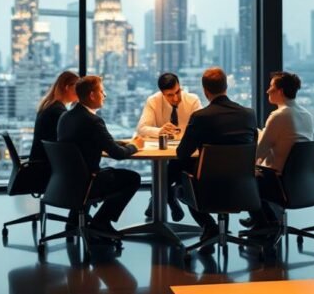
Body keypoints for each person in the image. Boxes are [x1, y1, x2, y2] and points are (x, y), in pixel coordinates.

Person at [175, 67, 257, 248]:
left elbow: (182, 153)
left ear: (205, 91)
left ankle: (209, 226)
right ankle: (213, 228)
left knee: (181, 186)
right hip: (243, 187)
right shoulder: (248, 114)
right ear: (226, 87)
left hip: (206, 190)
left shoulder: (200, 117)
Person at [56, 75, 143, 238]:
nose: (105, 95)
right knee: (132, 179)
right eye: (102, 92)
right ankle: (101, 222)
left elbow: (89, 140)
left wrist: (118, 142)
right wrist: (135, 146)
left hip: (66, 181)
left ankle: (73, 220)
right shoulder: (93, 121)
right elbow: (117, 154)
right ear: (92, 95)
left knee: (107, 173)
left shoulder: (66, 117)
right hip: (88, 183)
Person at [243, 71, 314, 230]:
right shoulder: (307, 115)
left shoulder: (279, 115)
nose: (267, 91)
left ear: (280, 91)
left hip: (278, 181)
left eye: (271, 87)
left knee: (243, 175)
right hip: (300, 181)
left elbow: (259, 152)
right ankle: (265, 219)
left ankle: (263, 222)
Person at [135, 72, 203, 221]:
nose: (176, 98)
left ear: (180, 86)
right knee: (172, 167)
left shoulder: (192, 100)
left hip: (186, 153)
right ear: (162, 93)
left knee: (174, 167)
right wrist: (160, 131)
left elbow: (201, 128)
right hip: (166, 150)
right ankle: (170, 200)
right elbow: (141, 128)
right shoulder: (153, 101)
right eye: (170, 95)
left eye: (177, 91)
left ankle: (159, 200)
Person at [27, 71, 80, 171]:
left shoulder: (50, 106)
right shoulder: (58, 112)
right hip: (47, 167)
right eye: (77, 87)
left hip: (40, 163)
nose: (79, 92)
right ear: (67, 87)